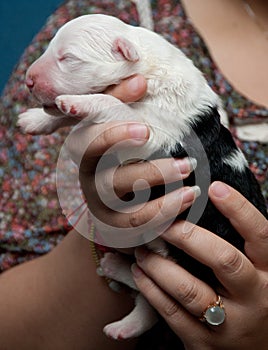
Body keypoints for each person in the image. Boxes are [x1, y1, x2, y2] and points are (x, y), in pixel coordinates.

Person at [0, 0, 267, 349]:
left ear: (124, 53)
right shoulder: (110, 13)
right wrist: (102, 233)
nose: (34, 76)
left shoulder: (172, 79)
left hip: (213, 223)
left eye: (65, 59)